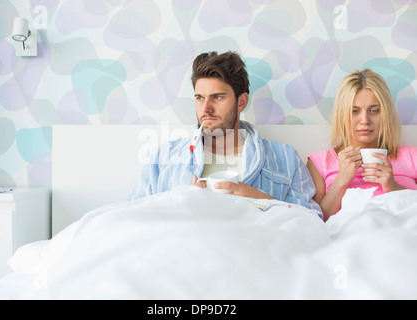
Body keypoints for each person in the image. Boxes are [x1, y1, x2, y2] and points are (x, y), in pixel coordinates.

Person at [127, 51, 321, 214]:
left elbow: (311, 222)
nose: (206, 108)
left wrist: (261, 200)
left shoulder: (285, 159)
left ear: (242, 102)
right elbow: (131, 218)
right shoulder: (163, 158)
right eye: (199, 98)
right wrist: (180, 202)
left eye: (217, 97)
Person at [307, 68, 417, 221]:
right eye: (354, 111)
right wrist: (342, 179)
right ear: (342, 114)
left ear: (385, 114)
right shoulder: (319, 163)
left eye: (374, 110)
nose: (364, 120)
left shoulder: (411, 156)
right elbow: (315, 220)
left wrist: (394, 187)